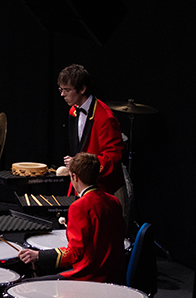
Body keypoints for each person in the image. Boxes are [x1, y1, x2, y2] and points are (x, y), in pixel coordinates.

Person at [18, 153, 126, 283]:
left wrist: (38, 256)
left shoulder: (79, 206)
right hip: (115, 275)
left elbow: (74, 253)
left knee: (24, 285)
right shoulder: (114, 201)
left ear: (74, 176)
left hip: (89, 277)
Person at [58, 64, 124, 195]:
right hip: (79, 185)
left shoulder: (105, 118)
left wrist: (80, 165)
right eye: (60, 89)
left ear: (82, 89)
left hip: (99, 188)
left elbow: (112, 159)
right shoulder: (73, 111)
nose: (62, 94)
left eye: (66, 90)